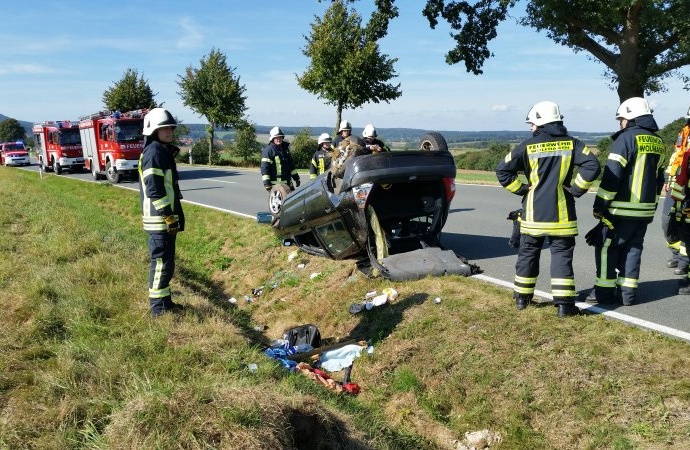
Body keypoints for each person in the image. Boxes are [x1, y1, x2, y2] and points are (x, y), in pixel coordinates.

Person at [496, 101, 600, 317]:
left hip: (532, 216)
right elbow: (593, 165)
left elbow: (502, 170)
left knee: (527, 254)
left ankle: (522, 300)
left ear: (540, 123)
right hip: (562, 216)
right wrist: (575, 189)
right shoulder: (573, 144)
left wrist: (523, 189)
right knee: (561, 257)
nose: (531, 128)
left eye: (532, 124)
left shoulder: (526, 146)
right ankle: (564, 307)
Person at [585, 97, 665, 306]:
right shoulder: (658, 142)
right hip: (645, 211)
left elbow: (612, 175)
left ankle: (603, 294)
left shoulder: (626, 139)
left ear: (629, 118)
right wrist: (652, 205)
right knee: (633, 249)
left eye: (621, 119)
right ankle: (628, 295)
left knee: (606, 248)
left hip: (620, 210)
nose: (620, 123)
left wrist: (600, 205)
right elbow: (659, 180)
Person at [138, 108, 185, 316]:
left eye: (170, 128)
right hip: (160, 221)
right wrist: (167, 215)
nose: (169, 131)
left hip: (165, 220)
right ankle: (158, 308)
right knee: (160, 264)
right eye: (163, 128)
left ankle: (165, 302)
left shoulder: (160, 150)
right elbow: (155, 189)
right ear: (152, 130)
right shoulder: (154, 153)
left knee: (166, 263)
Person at [661, 106, 690, 275]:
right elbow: (676, 156)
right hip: (676, 186)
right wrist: (668, 178)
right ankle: (677, 254)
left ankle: (685, 261)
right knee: (668, 222)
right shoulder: (684, 132)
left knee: (686, 226)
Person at [261, 126, 300, 191]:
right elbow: (265, 168)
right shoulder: (268, 151)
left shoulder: (285, 150)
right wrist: (267, 184)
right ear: (272, 138)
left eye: (280, 137)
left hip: (288, 185)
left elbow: (291, 166)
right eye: (276, 137)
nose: (278, 139)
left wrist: (296, 178)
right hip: (276, 187)